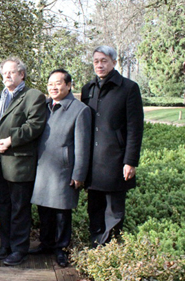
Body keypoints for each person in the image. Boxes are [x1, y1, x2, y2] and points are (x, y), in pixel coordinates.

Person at [0, 57, 47, 265]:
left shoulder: (33, 96)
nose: (7, 76)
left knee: (19, 209)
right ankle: (6, 245)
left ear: (22, 74)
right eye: (4, 73)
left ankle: (20, 250)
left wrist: (11, 140)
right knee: (3, 207)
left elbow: (34, 125)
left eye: (11, 72)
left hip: (19, 164)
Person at [81, 46, 144, 247]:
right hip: (93, 160)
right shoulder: (88, 88)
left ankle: (108, 247)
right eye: (96, 61)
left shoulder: (128, 88)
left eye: (104, 61)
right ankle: (95, 243)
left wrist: (130, 161)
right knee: (95, 207)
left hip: (116, 160)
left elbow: (135, 128)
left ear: (114, 63)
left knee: (114, 209)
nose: (99, 65)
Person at [29, 69, 91, 267]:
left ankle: (61, 248)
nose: (53, 87)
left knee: (62, 212)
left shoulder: (79, 110)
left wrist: (78, 173)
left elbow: (83, 145)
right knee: (44, 209)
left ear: (68, 85)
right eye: (50, 84)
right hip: (43, 167)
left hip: (64, 170)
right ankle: (46, 243)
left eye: (57, 83)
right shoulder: (44, 107)